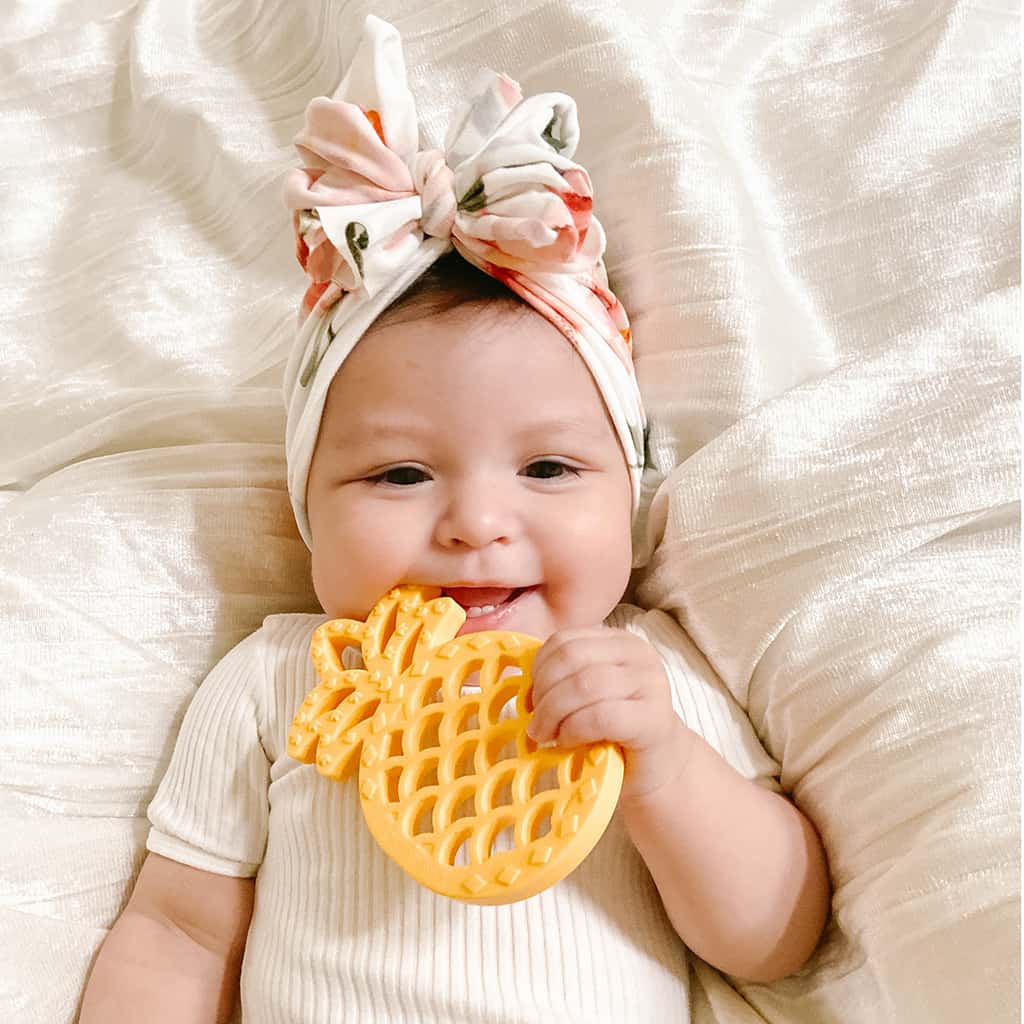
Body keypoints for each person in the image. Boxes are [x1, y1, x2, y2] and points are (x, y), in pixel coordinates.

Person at [80, 17, 829, 1024]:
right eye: (399, 474)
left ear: (630, 495)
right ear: (307, 511)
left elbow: (775, 941)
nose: (477, 523)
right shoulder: (278, 682)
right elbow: (179, 932)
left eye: (549, 468)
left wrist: (662, 764)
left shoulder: (642, 677)